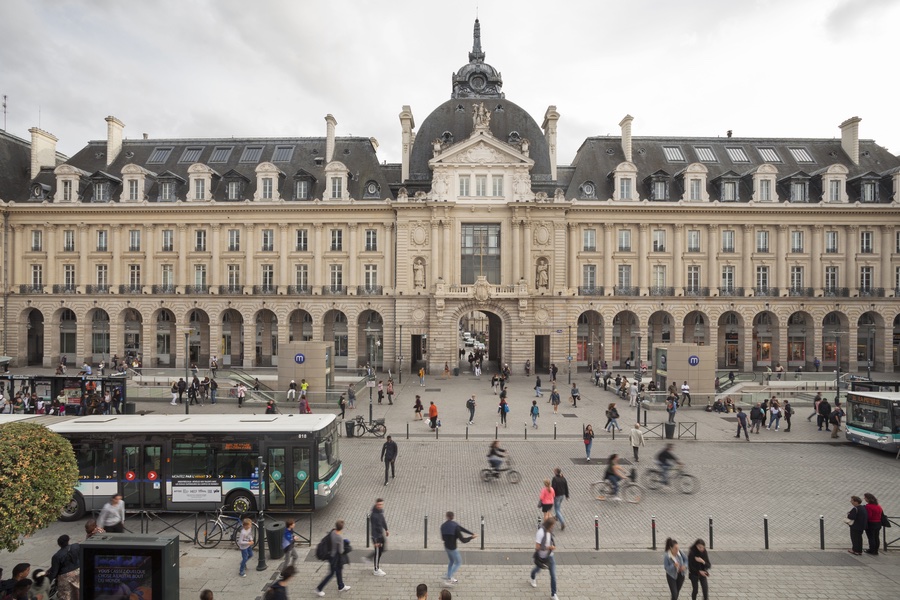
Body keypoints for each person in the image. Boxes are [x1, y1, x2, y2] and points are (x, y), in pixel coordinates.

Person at [440, 511, 476, 585]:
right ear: (453, 517)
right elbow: (463, 540)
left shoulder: (443, 526)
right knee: (458, 562)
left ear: (447, 516)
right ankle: (449, 577)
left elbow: (443, 538)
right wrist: (471, 537)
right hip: (453, 549)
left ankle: (448, 576)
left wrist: (471, 533)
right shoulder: (455, 526)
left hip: (446, 547)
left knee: (451, 561)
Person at [528, 516, 559, 600]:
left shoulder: (550, 530)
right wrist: (549, 547)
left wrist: (551, 547)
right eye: (552, 526)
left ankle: (553, 594)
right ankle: (532, 576)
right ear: (549, 525)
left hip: (550, 556)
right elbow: (537, 547)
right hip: (541, 556)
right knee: (537, 569)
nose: (553, 527)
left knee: (553, 575)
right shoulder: (540, 532)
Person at [315, 521, 349, 596]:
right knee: (331, 573)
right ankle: (319, 588)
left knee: (339, 569)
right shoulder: (339, 537)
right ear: (342, 528)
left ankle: (341, 586)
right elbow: (341, 551)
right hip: (335, 557)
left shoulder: (332, 531)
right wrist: (344, 543)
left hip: (330, 555)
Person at [47, 535, 80, 600]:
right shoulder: (76, 546)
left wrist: (48, 581)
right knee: (77, 591)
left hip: (65, 577)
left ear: (59, 544)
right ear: (68, 540)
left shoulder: (56, 556)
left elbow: (54, 572)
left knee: (65, 595)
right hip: (78, 572)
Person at [366, 499, 389, 576]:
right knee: (378, 552)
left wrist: (386, 529)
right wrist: (375, 541)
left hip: (381, 535)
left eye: (381, 504)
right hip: (377, 537)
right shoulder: (374, 516)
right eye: (379, 505)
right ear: (376, 504)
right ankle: (376, 569)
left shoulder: (380, 511)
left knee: (382, 549)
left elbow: (382, 520)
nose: (380, 506)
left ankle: (370, 558)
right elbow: (373, 529)